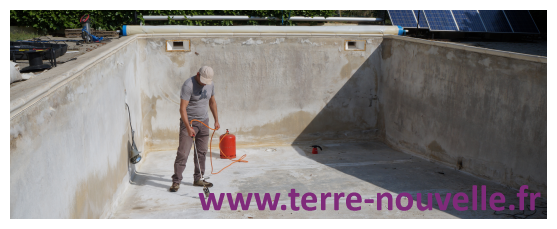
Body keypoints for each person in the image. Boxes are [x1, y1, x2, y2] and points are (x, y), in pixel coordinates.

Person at [170, 66, 220, 192]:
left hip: (204, 122)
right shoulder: (188, 85)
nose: (204, 83)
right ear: (197, 74)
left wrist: (216, 120)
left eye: (206, 81)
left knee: (201, 153)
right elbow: (182, 108)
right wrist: (188, 127)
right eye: (202, 80)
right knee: (183, 153)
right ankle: (176, 181)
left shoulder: (210, 84)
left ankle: (198, 178)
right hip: (190, 122)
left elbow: (212, 102)